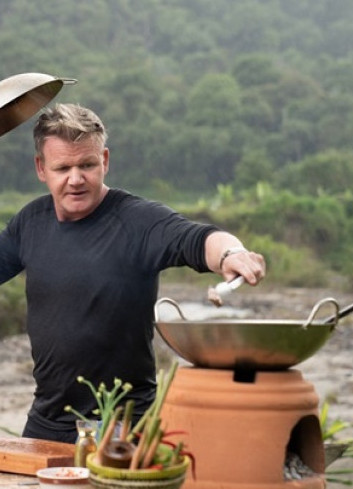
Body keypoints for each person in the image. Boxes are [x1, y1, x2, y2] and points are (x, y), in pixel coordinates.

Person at [0, 103, 266, 443]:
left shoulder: (138, 221)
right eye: (63, 167)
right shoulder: (30, 223)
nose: (76, 178)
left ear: (105, 160)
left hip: (123, 427)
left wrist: (232, 253)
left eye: (87, 165)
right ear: (41, 168)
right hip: (46, 423)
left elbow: (196, 238)